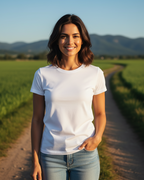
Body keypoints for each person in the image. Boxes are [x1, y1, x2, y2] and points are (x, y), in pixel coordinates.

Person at [30, 14, 107, 180]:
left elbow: (100, 113)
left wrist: (98, 138)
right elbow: (37, 119)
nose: (69, 42)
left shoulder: (95, 73)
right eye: (64, 36)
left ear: (83, 40)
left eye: (75, 36)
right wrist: (35, 161)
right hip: (51, 156)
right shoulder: (42, 74)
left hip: (85, 155)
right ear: (57, 40)